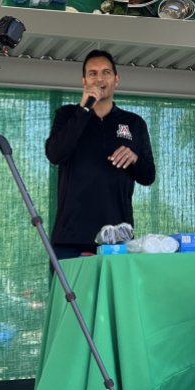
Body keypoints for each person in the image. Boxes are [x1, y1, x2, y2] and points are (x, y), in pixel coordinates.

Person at [45, 50, 156, 259]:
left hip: (118, 238)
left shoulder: (134, 123)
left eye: (106, 72)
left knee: (116, 293)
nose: (99, 79)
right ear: (84, 80)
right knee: (69, 293)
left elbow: (148, 175)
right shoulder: (67, 115)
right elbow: (54, 154)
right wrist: (83, 110)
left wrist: (134, 159)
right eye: (93, 73)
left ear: (116, 79)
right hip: (71, 237)